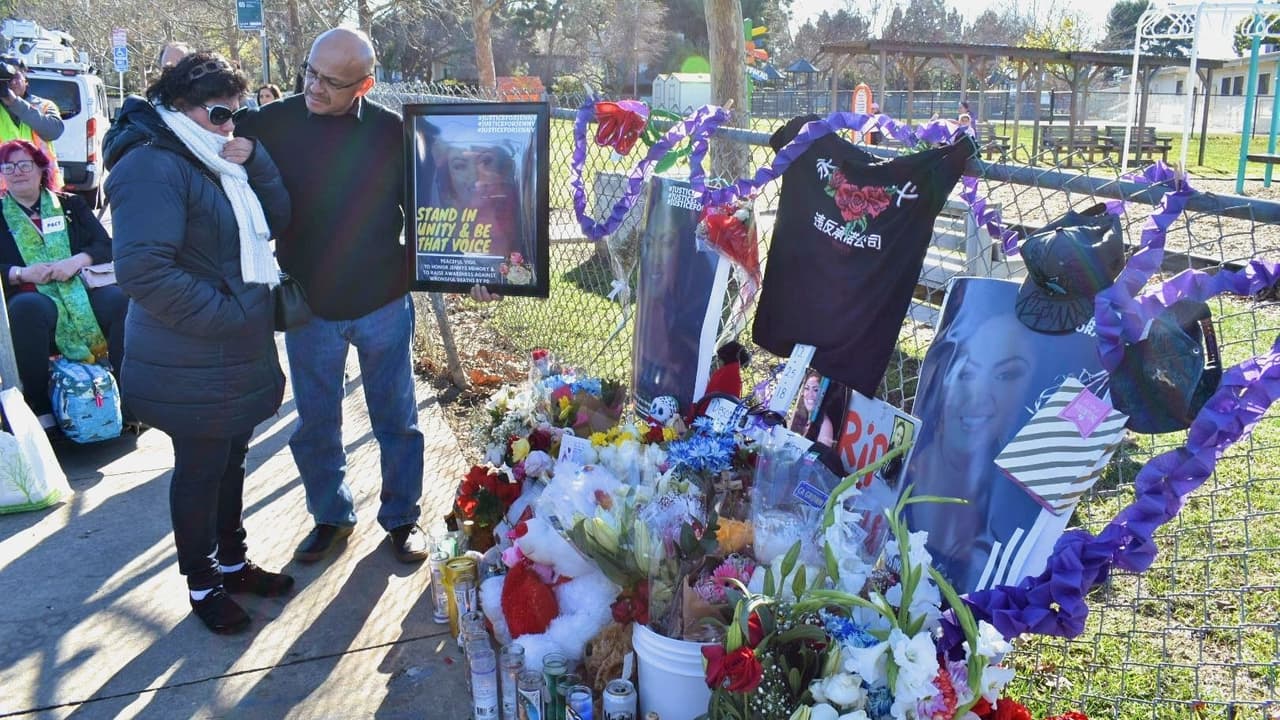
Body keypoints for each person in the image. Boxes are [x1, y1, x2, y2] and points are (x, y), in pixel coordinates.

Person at [236, 28, 482, 566]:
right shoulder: (271, 123)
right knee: (316, 423)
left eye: (331, 81)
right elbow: (195, 128)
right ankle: (330, 516)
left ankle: (401, 519)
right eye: (310, 71)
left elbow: (436, 216)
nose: (314, 87)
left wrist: (472, 270)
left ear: (365, 84)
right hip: (309, 306)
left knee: (396, 419)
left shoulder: (396, 134)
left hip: (382, 301)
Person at [103, 52, 293, 634]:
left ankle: (232, 562)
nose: (231, 125)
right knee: (199, 469)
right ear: (178, 108)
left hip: (231, 346)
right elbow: (143, 272)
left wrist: (256, 161)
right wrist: (233, 315)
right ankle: (203, 582)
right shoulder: (152, 165)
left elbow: (276, 218)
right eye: (219, 113)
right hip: (192, 350)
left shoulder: (213, 156)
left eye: (240, 113)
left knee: (230, 460)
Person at [903, 299, 1038, 592]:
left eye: (1005, 375)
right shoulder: (901, 468)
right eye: (966, 372)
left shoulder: (1019, 504)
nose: (977, 397)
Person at [0, 140, 125, 433]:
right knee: (27, 310)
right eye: (9, 166)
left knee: (119, 301)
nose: (17, 172)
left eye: (24, 164)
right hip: (31, 294)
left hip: (78, 287)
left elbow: (106, 246)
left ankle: (124, 393)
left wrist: (76, 261)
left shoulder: (70, 205)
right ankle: (39, 405)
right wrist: (22, 272)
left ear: (42, 168)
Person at [0, 56, 64, 185]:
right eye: (7, 79)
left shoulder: (44, 105)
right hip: (4, 187)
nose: (12, 83)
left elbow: (54, 131)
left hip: (43, 184)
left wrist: (14, 102)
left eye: (16, 77)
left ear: (26, 80)